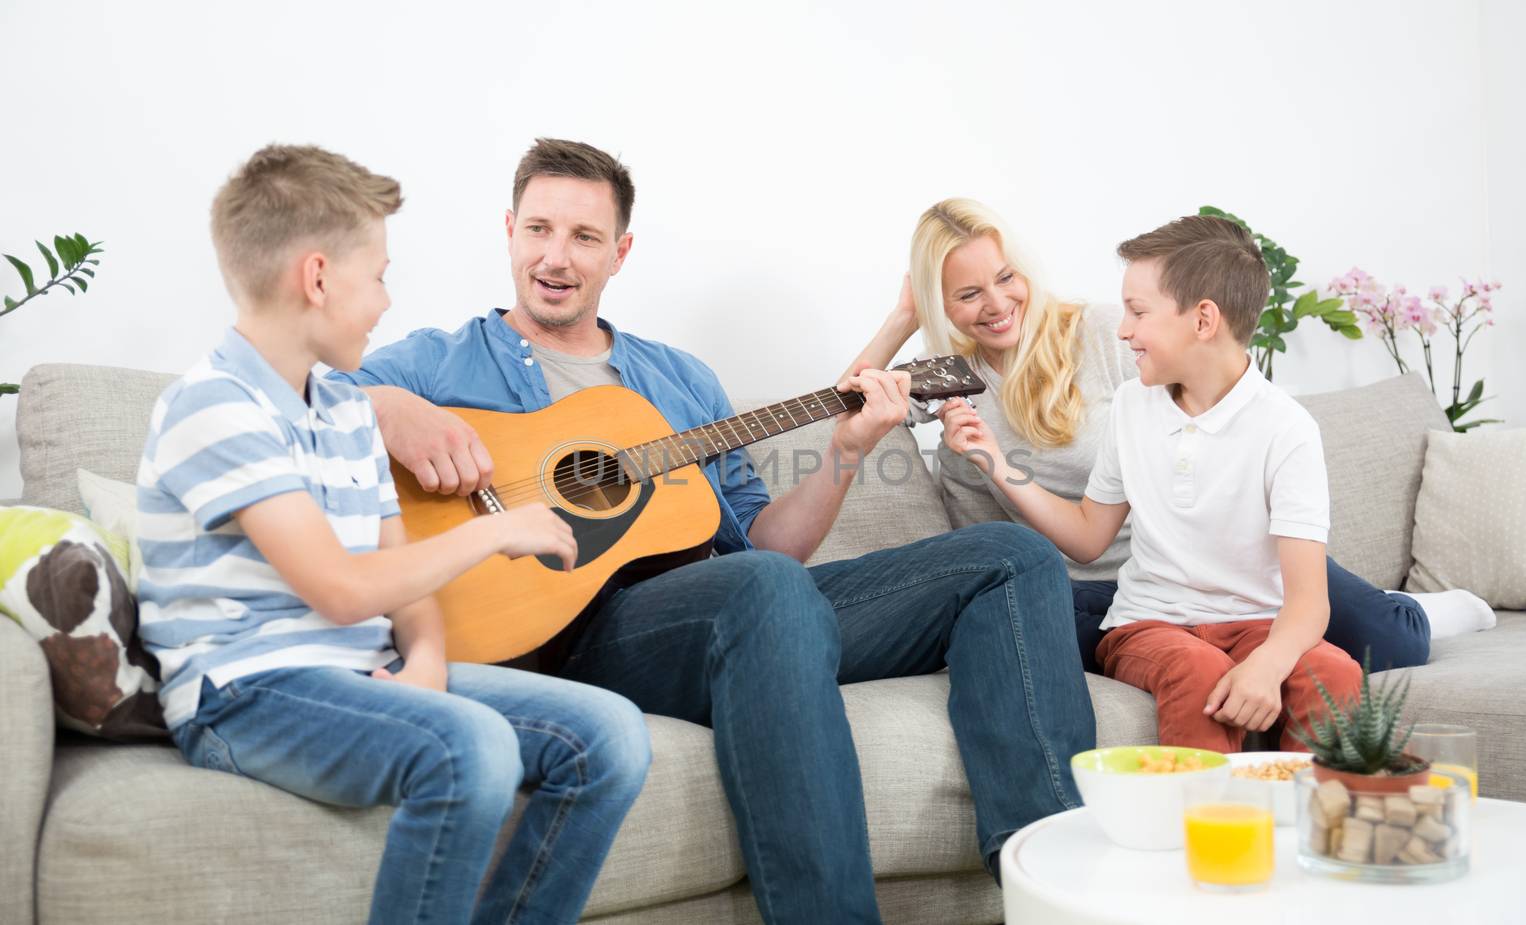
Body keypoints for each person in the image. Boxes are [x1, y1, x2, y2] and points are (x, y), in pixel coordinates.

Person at [329, 138, 1095, 923]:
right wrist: (388, 407)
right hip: (573, 634)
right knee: (766, 591)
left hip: (734, 607)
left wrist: (845, 450)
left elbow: (769, 546)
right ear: (510, 229)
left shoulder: (681, 380)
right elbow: (296, 398)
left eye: (585, 237)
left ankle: (1054, 893)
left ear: (620, 251)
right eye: (539, 230)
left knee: (1010, 557)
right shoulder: (436, 362)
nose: (556, 256)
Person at [136, 144, 650, 924]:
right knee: (470, 750)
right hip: (244, 695)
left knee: (610, 733)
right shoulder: (213, 406)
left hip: (357, 670)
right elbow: (341, 589)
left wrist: (430, 662)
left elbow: (398, 570)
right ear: (316, 278)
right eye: (377, 275)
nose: (384, 301)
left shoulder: (345, 410)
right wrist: (494, 531)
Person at [849, 198, 1496, 674]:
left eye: (1005, 277)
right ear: (941, 305)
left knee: (1394, 643)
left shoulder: (1105, 332)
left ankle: (1424, 608)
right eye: (966, 293)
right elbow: (843, 408)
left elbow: (1221, 417)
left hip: (1204, 559)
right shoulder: (945, 379)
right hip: (1099, 591)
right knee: (1023, 628)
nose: (997, 302)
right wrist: (903, 318)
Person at [942, 213, 1362, 751]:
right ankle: (1200, 833)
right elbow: (1090, 538)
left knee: (1337, 676)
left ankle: (1308, 831)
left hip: (1256, 621)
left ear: (1203, 320)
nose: (1122, 330)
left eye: (1138, 312)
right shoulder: (1131, 406)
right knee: (1197, 668)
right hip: (1149, 624)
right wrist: (995, 462)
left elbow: (1308, 603)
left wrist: (1268, 665)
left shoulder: (1287, 429)